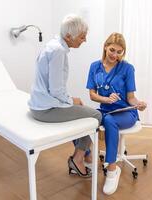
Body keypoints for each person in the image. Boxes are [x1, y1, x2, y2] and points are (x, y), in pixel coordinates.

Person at [28, 14, 102, 178]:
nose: (84, 40)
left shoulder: (52, 45)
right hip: (46, 109)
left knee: (81, 111)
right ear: (69, 36)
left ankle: (86, 153)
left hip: (38, 104)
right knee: (96, 115)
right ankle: (78, 159)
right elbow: (56, 90)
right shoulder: (59, 51)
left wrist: (71, 101)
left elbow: (53, 87)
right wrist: (71, 100)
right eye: (82, 37)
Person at [86, 32, 147, 194]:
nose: (115, 55)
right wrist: (106, 100)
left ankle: (112, 171)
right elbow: (92, 95)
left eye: (119, 52)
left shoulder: (127, 68)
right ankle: (85, 156)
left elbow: (131, 98)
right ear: (105, 47)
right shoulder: (95, 67)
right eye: (112, 50)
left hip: (126, 113)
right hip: (105, 110)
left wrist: (138, 104)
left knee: (109, 121)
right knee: (85, 121)